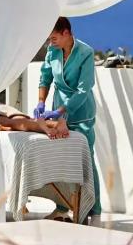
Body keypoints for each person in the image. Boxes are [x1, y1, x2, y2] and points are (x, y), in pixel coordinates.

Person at [35, 16, 100, 222]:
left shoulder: (85, 53)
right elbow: (45, 77)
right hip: (58, 109)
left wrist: (62, 110)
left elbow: (83, 89)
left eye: (53, 38)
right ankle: (63, 207)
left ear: (66, 33)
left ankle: (94, 211)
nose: (50, 42)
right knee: (62, 159)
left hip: (81, 113)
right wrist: (41, 102)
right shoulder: (53, 51)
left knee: (86, 161)